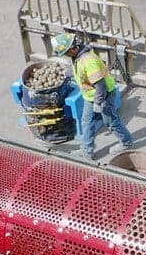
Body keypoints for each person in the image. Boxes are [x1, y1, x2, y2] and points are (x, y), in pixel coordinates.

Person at [53, 32, 133, 160]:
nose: (66, 56)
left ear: (73, 48)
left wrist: (98, 103)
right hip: (90, 96)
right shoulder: (77, 57)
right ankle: (86, 150)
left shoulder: (88, 61)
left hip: (104, 96)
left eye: (66, 52)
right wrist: (71, 73)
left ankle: (126, 142)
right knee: (87, 122)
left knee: (110, 122)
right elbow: (83, 74)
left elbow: (101, 86)